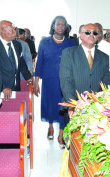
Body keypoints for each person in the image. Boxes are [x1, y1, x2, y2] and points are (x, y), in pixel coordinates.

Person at [59, 23, 110, 131]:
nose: (91, 34)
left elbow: (107, 82)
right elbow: (66, 81)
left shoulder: (104, 57)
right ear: (81, 35)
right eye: (88, 32)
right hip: (75, 107)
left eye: (95, 32)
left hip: (97, 109)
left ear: (98, 36)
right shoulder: (69, 53)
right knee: (75, 144)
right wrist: (72, 105)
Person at [34, 16, 75, 148]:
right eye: (58, 24)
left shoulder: (71, 43)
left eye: (63, 24)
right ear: (53, 26)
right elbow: (39, 63)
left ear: (66, 27)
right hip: (49, 80)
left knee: (64, 106)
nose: (60, 26)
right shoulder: (44, 42)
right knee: (51, 105)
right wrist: (36, 83)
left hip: (66, 81)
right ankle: (51, 126)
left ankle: (61, 133)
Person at [0, 20, 32, 100]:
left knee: (17, 111)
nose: (15, 32)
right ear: (2, 31)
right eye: (12, 30)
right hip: (1, 92)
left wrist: (28, 77)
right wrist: (3, 87)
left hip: (16, 88)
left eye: (15, 30)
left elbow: (21, 63)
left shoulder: (17, 45)